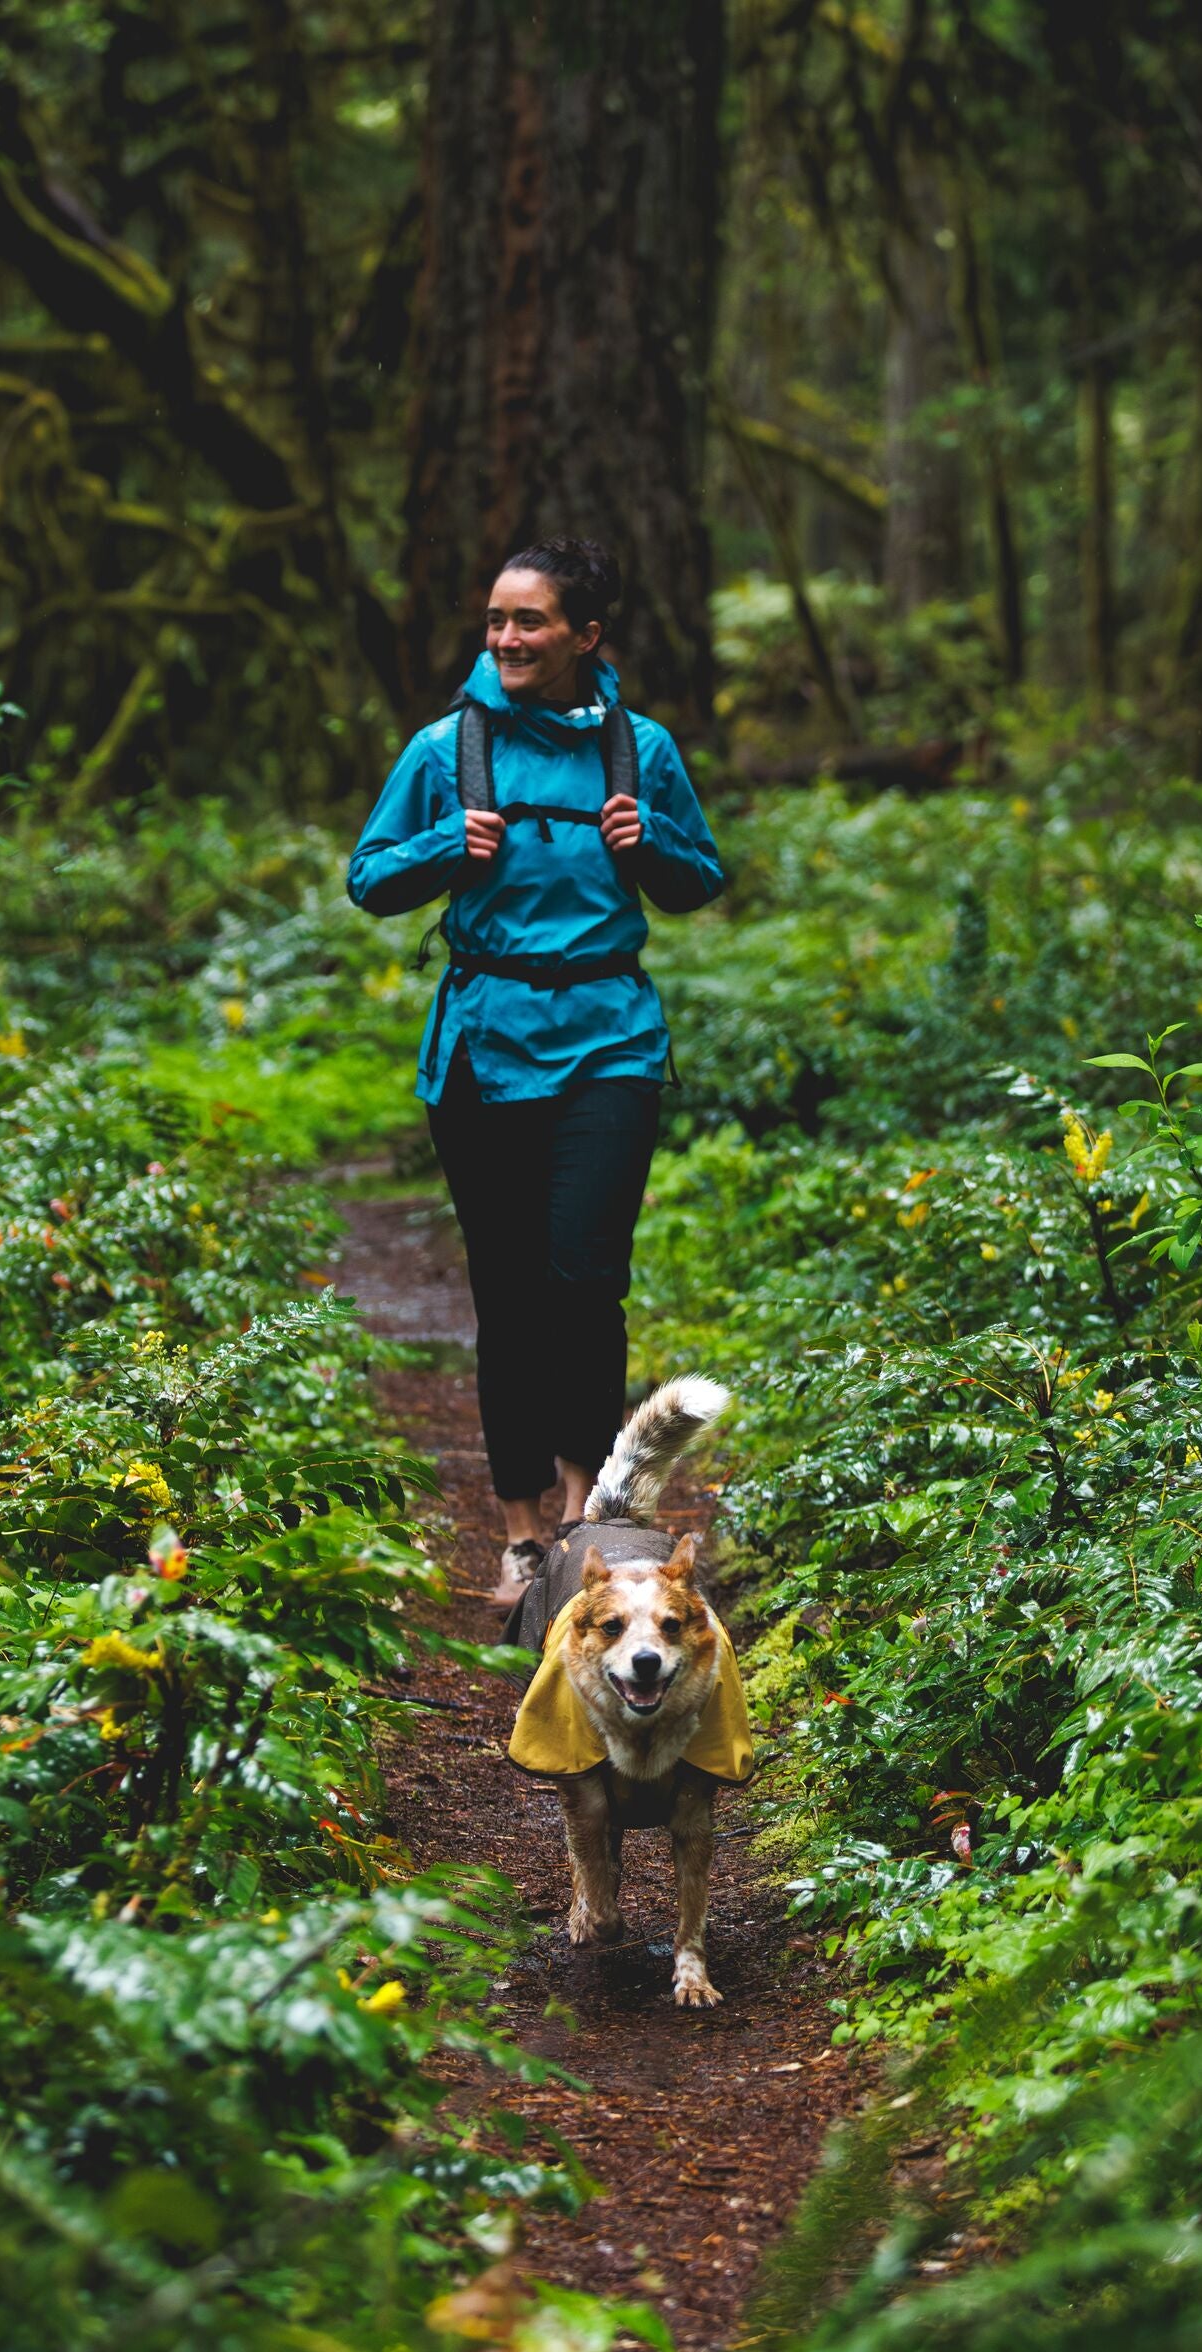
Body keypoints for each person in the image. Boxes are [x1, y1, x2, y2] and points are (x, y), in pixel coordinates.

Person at [347, 537, 724, 1603]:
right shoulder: (443, 748)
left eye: (531, 622)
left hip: (610, 1039)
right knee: (509, 1294)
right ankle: (518, 1537)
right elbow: (368, 877)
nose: (507, 639)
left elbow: (699, 879)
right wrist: (442, 851)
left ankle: (582, 1519)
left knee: (585, 1281)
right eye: (497, 621)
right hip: (484, 1044)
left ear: (584, 637)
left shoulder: (639, 748)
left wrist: (646, 842)